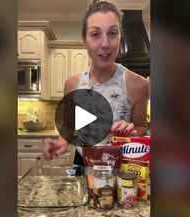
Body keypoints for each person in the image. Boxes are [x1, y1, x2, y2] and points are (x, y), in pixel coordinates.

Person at [44, 0, 149, 165]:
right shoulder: (72, 85)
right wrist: (61, 143)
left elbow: (141, 127)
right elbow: (68, 127)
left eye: (112, 33)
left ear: (121, 36)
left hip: (120, 167)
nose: (105, 44)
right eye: (95, 34)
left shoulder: (139, 85)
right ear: (84, 40)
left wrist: (132, 131)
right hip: (83, 162)